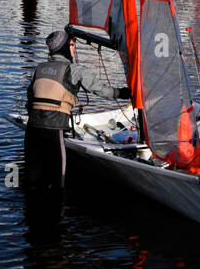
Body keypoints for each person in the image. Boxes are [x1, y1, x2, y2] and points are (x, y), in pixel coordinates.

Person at [24, 28, 131, 191]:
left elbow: (29, 100)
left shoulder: (39, 68)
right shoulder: (75, 70)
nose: (74, 48)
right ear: (65, 47)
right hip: (54, 128)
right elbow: (101, 90)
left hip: (32, 128)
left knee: (32, 179)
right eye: (72, 45)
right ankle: (57, 213)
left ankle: (30, 211)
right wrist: (124, 93)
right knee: (58, 180)